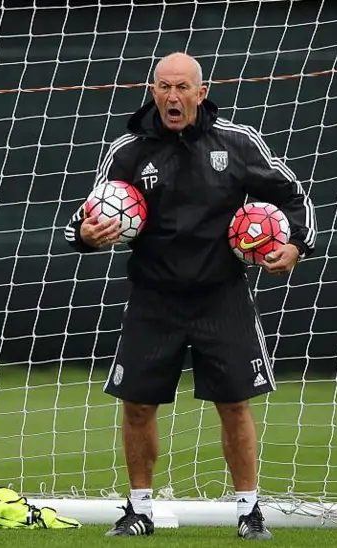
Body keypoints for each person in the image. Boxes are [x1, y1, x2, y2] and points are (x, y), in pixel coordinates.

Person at [64, 52, 317, 540]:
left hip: (221, 294)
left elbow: (293, 193)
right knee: (136, 404)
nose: (172, 96)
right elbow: (89, 214)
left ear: (201, 93)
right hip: (153, 296)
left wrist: (296, 244)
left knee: (235, 403)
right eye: (164, 87)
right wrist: (85, 235)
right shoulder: (128, 150)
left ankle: (250, 511)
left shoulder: (237, 143)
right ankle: (138, 510)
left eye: (182, 87)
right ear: (152, 90)